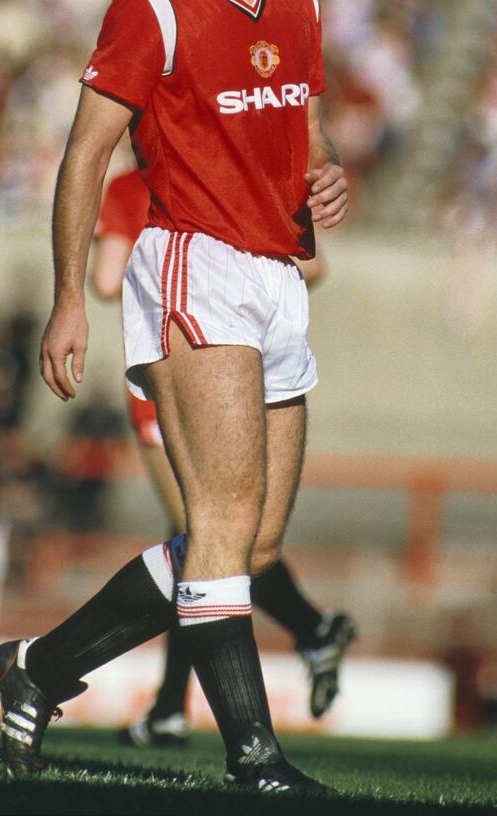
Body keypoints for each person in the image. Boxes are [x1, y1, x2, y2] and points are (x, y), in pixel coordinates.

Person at [0, 0, 349, 793]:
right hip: (194, 266)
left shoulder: (300, 4)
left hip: (275, 278)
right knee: (224, 526)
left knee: (249, 542)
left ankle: (38, 670)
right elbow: (83, 157)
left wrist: (323, 180)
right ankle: (254, 758)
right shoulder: (149, 8)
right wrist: (71, 299)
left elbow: (301, 134)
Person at [91, 166, 357, 746]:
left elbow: (108, 282)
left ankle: (308, 632)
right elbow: (314, 267)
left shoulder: (134, 188)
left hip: (178, 369)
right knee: (213, 536)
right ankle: (174, 704)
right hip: (246, 369)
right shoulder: (246, 170)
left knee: (208, 537)